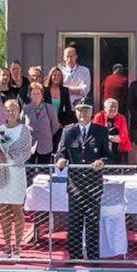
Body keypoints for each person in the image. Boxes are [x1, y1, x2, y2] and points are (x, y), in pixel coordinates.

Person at [55, 101, 112, 260]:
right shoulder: (69, 131)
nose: (82, 113)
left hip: (93, 184)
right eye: (79, 110)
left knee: (93, 222)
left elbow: (108, 155)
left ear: (91, 112)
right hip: (75, 184)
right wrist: (60, 161)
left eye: (86, 110)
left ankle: (93, 257)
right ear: (75, 112)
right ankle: (74, 256)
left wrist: (102, 162)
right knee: (74, 222)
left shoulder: (100, 131)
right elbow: (60, 153)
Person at [0, 96, 35, 256]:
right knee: (4, 211)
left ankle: (17, 246)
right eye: (8, 110)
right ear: (4, 112)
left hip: (17, 173)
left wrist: (7, 156)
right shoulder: (1, 129)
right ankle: (7, 246)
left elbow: (26, 152)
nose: (11, 112)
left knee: (17, 211)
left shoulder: (24, 130)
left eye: (14, 110)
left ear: (18, 112)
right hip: (2, 173)